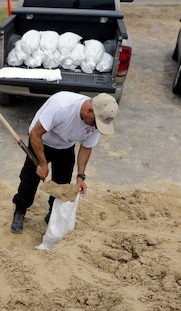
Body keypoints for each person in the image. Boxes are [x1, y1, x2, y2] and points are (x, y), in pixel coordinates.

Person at [10, 91, 118, 234]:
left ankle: (53, 213)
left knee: (62, 185)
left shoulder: (97, 120)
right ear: (89, 110)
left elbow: (86, 147)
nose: (96, 128)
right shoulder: (61, 106)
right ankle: (20, 210)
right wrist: (42, 164)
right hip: (41, 141)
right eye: (95, 124)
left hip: (66, 146)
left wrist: (81, 176)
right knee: (29, 179)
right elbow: (35, 134)